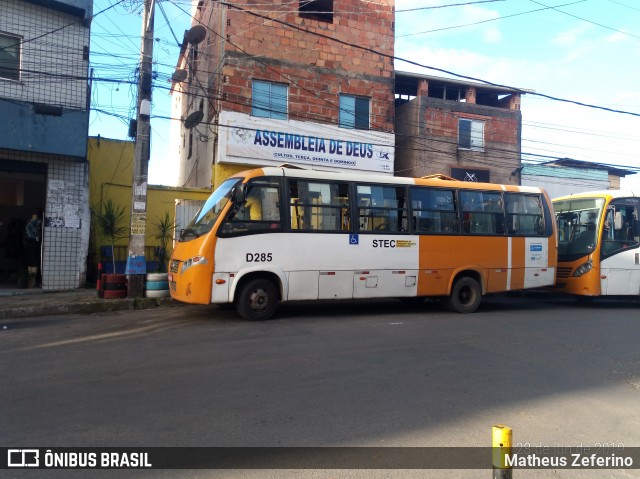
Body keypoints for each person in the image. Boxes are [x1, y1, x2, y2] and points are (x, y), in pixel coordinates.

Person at [25, 211, 42, 288]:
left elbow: (38, 232)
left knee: (34, 260)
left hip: (36, 243)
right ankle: (30, 279)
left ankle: (33, 280)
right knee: (29, 259)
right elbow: (26, 232)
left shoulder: (40, 222)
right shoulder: (28, 222)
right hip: (29, 242)